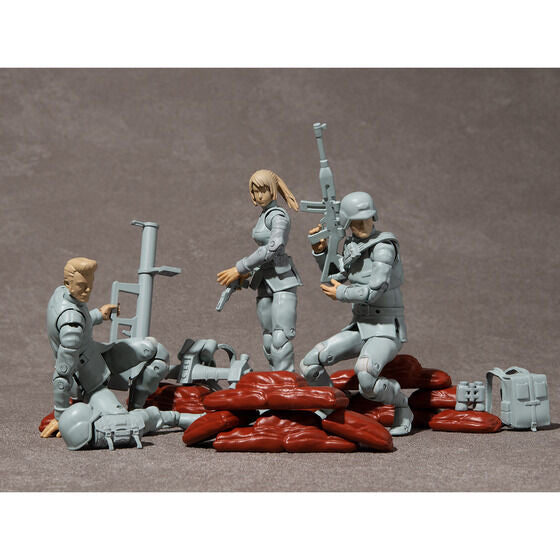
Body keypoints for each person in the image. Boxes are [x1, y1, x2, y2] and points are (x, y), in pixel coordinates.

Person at [300, 191, 413, 435]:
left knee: (365, 376)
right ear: (347, 223)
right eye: (356, 222)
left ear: (375, 217)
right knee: (310, 363)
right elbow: (334, 277)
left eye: (367, 219)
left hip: (385, 328)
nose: (363, 226)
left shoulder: (384, 247)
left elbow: (375, 290)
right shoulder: (353, 245)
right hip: (360, 326)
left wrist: (342, 293)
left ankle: (403, 406)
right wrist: (322, 251)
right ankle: (334, 410)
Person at [41, 257, 170, 437]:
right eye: (82, 286)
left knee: (154, 349)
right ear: (68, 283)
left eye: (90, 285)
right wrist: (61, 417)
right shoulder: (71, 326)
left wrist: (98, 314)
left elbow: (79, 317)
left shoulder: (62, 293)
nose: (87, 291)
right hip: (89, 382)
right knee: (122, 422)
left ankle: (136, 405)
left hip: (99, 355)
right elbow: (62, 376)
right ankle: (160, 417)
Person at [217, 170, 302, 372]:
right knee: (268, 339)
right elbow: (263, 255)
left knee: (280, 338)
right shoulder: (264, 215)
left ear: (272, 190)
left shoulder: (278, 216)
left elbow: (274, 246)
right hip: (265, 281)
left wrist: (240, 268)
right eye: (255, 191)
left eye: (263, 190)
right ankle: (275, 380)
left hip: (282, 281)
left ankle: (284, 382)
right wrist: (245, 275)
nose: (259, 195)